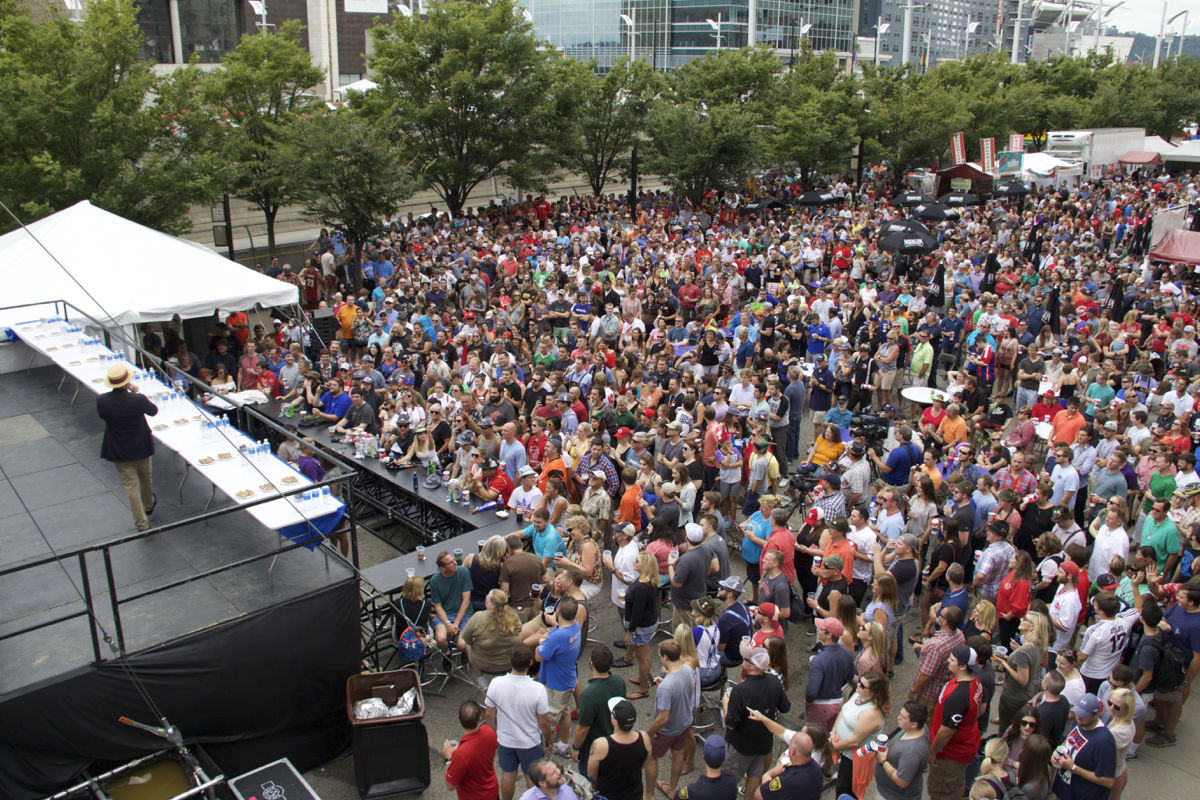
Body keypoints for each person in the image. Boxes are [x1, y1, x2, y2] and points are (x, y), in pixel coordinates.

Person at [96, 363, 160, 532]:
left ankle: (141, 523)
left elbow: (103, 415)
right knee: (145, 478)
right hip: (141, 446)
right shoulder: (136, 399)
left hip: (119, 448)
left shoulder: (102, 400)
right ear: (127, 383)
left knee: (130, 486)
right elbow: (153, 411)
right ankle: (147, 505)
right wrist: (137, 394)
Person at [723, 644, 790, 800]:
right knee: (755, 775)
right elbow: (785, 707)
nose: (743, 660)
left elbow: (731, 724)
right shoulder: (774, 681)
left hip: (741, 747)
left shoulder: (740, 690)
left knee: (728, 780)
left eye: (745, 659)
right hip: (763, 742)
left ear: (752, 667)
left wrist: (726, 703)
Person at [486, 643, 551, 800]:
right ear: (530, 663)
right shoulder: (538, 689)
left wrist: (492, 737)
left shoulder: (495, 683)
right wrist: (548, 739)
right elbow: (544, 722)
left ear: (510, 660)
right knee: (531, 777)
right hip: (531, 743)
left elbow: (489, 715)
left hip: (505, 741)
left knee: (508, 776)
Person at [927, 645, 983, 800]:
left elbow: (947, 731)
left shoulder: (958, 696)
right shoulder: (974, 680)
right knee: (958, 781)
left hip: (951, 753)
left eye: (952, 660)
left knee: (941, 791)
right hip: (965, 746)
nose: (947, 661)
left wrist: (933, 751)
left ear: (963, 666)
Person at [646, 641, 696, 800]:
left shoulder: (667, 687)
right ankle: (671, 788)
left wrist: (649, 733)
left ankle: (650, 794)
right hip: (684, 722)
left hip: (667, 730)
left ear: (666, 658)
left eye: (660, 656)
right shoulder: (688, 669)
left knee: (651, 756)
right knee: (678, 753)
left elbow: (662, 718)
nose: (660, 658)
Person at [831, 670, 889, 800]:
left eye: (863, 685)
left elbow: (855, 741)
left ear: (874, 692)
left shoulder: (871, 713)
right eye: (859, 682)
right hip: (843, 749)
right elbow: (843, 711)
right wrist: (833, 732)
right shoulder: (858, 696)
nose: (858, 685)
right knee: (841, 785)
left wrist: (833, 747)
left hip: (854, 758)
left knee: (845, 789)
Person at [536, 596, 583, 757]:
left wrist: (542, 641)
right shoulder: (575, 626)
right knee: (565, 712)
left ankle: (546, 754)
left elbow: (538, 657)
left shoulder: (556, 637)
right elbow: (560, 631)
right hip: (569, 680)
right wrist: (553, 626)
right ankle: (563, 745)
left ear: (558, 611)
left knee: (549, 722)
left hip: (556, 685)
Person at [994, 611, 1050, 737]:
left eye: (1025, 619)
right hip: (1024, 695)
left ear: (1032, 627)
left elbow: (1023, 679)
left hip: (1013, 696)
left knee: (1005, 731)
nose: (1021, 620)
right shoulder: (1036, 646)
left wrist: (1004, 662)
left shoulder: (1024, 651)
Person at [1049, 694, 1116, 800]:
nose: (1078, 717)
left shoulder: (1104, 742)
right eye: (1078, 712)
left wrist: (1074, 768)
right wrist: (1057, 752)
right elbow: (1069, 740)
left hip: (1083, 795)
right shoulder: (1081, 721)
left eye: (1084, 714)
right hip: (1064, 789)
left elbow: (1108, 781)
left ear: (1096, 715)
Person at [573, 646, 626, 766]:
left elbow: (583, 728)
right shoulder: (618, 680)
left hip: (596, 745)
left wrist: (575, 748)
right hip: (616, 739)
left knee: (593, 778)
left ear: (591, 664)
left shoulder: (588, 695)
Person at [588, 698, 650, 800]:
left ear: (615, 722)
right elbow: (644, 764)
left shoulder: (601, 744)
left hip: (608, 795)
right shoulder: (644, 738)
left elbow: (592, 774)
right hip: (634, 793)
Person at [753, 720, 829, 800]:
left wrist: (767, 774)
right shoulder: (816, 769)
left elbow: (759, 795)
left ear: (792, 750)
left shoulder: (787, 779)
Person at [458, 588, 522, 678]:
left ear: (492, 605)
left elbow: (465, 637)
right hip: (508, 663)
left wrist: (473, 642)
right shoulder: (514, 616)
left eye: (487, 597)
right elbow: (519, 631)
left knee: (469, 646)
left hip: (484, 664)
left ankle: (481, 680)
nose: (486, 598)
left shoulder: (478, 617)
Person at [443, 700, 499, 800]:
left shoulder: (460, 754)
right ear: (479, 719)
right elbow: (494, 751)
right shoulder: (489, 731)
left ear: (458, 718)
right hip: (493, 793)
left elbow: (450, 785)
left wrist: (448, 758)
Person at [874, 701, 930, 800]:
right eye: (900, 714)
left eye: (903, 717)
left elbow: (902, 781)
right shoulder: (920, 728)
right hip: (888, 791)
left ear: (914, 725)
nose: (898, 717)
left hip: (893, 797)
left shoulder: (911, 752)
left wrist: (882, 761)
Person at [806, 617, 854, 729]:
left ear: (829, 635)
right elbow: (850, 676)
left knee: (815, 740)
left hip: (820, 706)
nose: (817, 629)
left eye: (821, 628)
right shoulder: (847, 654)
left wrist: (808, 701)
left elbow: (811, 691)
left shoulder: (819, 660)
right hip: (838, 703)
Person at [431, 550, 474, 653]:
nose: (455, 563)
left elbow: (466, 601)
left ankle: (465, 653)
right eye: (450, 562)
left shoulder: (464, 572)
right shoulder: (435, 581)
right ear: (443, 568)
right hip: (446, 614)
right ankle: (447, 653)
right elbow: (437, 606)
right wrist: (447, 624)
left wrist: (455, 623)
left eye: (453, 560)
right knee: (440, 639)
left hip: (464, 613)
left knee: (462, 645)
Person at [674, 735, 739, 800]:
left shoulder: (693, 791)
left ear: (703, 757)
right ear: (724, 759)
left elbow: (677, 796)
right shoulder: (732, 780)